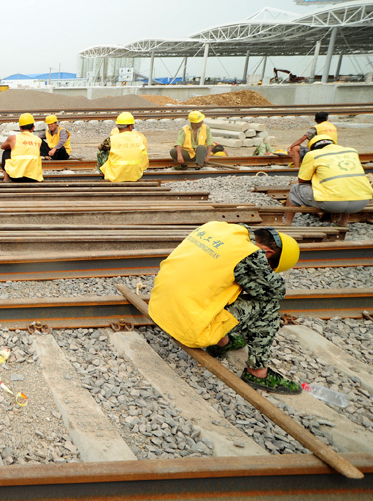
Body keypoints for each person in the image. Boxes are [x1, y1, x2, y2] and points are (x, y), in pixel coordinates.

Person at [148, 221, 302, 393]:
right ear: (268, 253)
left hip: (158, 308)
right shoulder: (250, 254)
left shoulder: (216, 228)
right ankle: (258, 373)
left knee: (225, 283)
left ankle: (222, 342)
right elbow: (276, 291)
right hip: (189, 329)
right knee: (268, 304)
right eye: (271, 266)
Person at [284, 134, 372, 227]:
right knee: (347, 183)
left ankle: (287, 223)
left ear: (313, 147)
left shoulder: (313, 154)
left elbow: (302, 180)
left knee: (296, 190)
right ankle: (342, 222)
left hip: (333, 204)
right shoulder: (352, 151)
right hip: (362, 201)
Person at [97, 112, 148, 182]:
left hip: (115, 177)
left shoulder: (112, 139)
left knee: (101, 152)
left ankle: (103, 175)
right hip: (135, 176)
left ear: (118, 127)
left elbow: (100, 147)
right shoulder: (139, 138)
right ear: (130, 127)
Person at [0, 113, 43, 183]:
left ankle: (6, 178)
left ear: (20, 127)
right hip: (34, 177)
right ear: (33, 128)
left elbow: (2, 147)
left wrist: (12, 146)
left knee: (6, 152)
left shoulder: (13, 138)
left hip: (16, 177)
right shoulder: (38, 139)